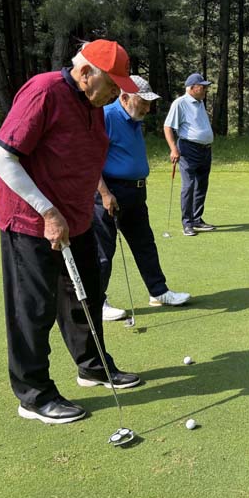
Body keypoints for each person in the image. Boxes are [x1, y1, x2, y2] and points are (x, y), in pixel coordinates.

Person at [0, 39, 142, 425]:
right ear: (86, 72)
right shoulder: (44, 91)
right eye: (112, 84)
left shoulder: (93, 104)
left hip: (77, 220)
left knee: (85, 296)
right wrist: (48, 212)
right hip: (31, 222)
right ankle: (33, 395)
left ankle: (92, 367)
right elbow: (2, 158)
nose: (116, 93)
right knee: (33, 309)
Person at [93, 75, 191, 321]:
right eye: (143, 102)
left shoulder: (134, 118)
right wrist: (104, 193)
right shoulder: (106, 116)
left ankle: (158, 292)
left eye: (149, 103)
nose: (148, 108)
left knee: (145, 244)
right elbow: (88, 161)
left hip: (136, 192)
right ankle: (97, 302)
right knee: (104, 251)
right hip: (111, 193)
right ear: (124, 97)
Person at [163, 73, 215, 237]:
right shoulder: (180, 103)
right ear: (192, 88)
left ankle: (197, 219)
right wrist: (173, 149)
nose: (205, 89)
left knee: (201, 185)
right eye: (202, 86)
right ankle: (187, 223)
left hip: (205, 149)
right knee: (189, 185)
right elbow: (168, 127)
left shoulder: (199, 103)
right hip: (188, 149)